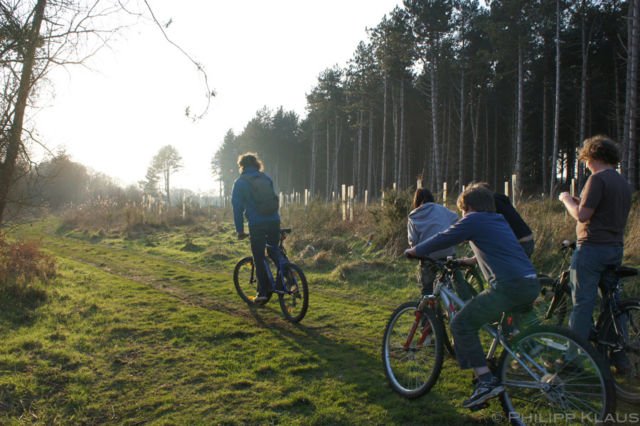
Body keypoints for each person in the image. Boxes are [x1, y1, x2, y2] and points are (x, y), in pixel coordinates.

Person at [405, 184, 539, 408]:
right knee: (496, 322)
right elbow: (500, 249)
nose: (463, 215)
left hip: (507, 287)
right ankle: (508, 361)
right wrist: (469, 261)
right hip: (529, 283)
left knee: (461, 323)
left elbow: (443, 238)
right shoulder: (497, 220)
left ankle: (485, 381)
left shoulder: (473, 220)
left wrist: (415, 250)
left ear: (468, 207)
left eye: (463, 210)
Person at [559, 135, 631, 370]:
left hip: (592, 248)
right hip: (614, 248)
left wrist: (567, 200)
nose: (585, 164)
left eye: (586, 159)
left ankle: (572, 359)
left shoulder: (597, 179)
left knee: (583, 304)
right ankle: (618, 354)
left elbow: (582, 215)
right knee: (612, 303)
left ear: (593, 157)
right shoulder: (622, 182)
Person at [231, 152, 280, 304]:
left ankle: (263, 292)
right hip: (274, 220)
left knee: (258, 256)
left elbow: (237, 208)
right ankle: (290, 279)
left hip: (257, 224)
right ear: (257, 164)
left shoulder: (240, 182)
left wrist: (240, 230)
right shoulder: (266, 178)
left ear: (242, 166)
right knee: (274, 250)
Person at [407, 188, 458, 295]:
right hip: (448, 252)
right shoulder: (442, 209)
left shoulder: (413, 215)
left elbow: (413, 241)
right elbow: (456, 219)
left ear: (416, 200)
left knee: (427, 288)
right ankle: (462, 297)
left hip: (429, 256)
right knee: (455, 279)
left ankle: (429, 306)